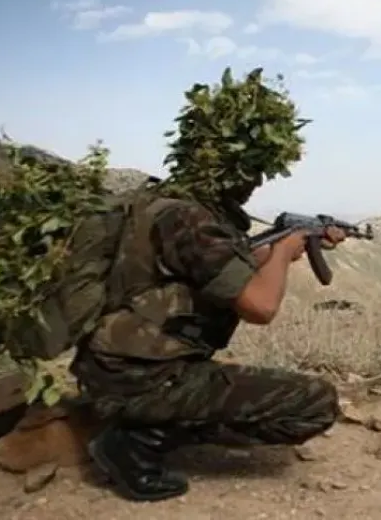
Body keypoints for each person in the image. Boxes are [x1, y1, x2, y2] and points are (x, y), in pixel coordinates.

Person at [69, 172, 348, 502]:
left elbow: (226, 267)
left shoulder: (162, 209)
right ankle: (135, 442)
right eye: (252, 175)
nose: (254, 184)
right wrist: (284, 252)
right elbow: (261, 307)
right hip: (145, 378)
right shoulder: (191, 219)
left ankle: (141, 422)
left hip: (114, 367)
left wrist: (284, 250)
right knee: (316, 403)